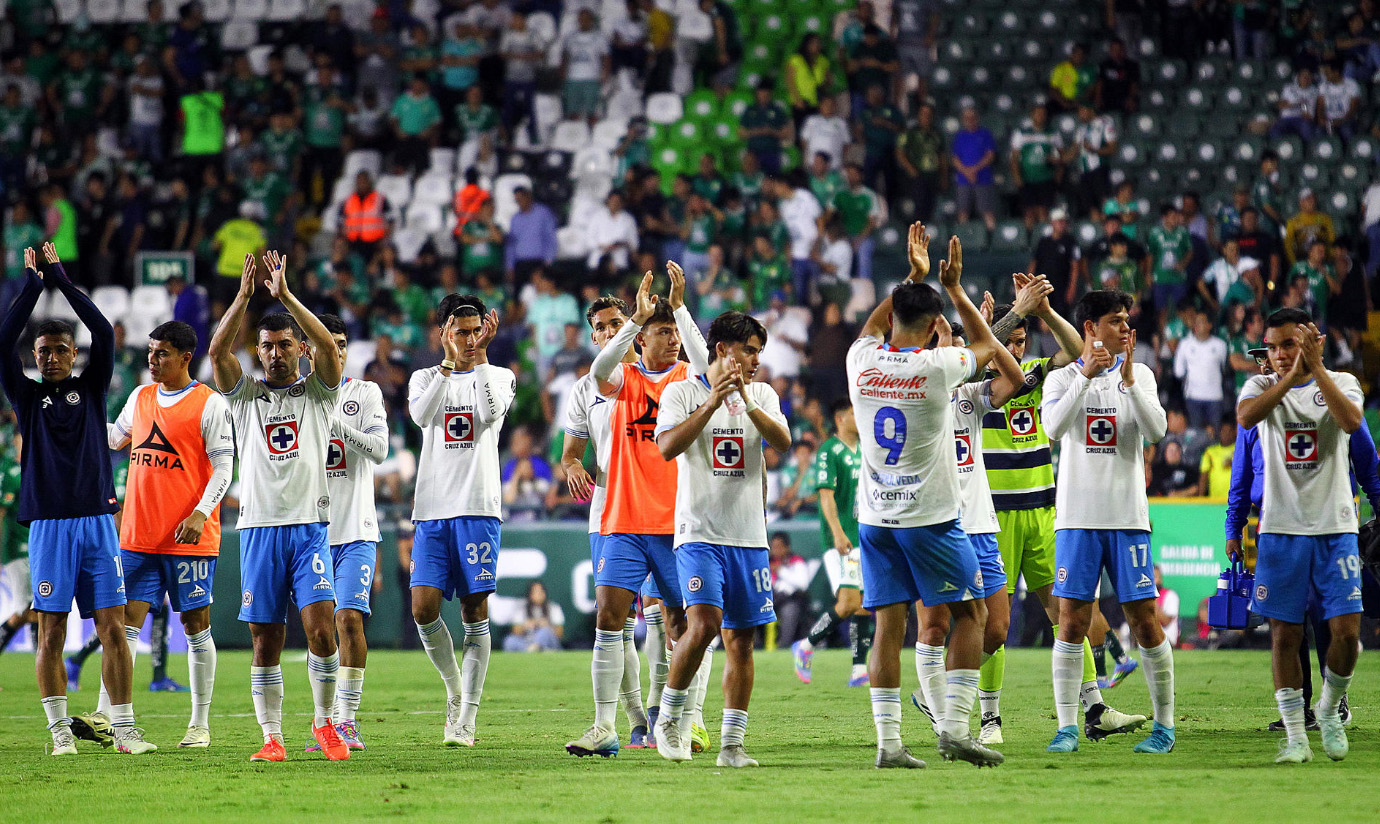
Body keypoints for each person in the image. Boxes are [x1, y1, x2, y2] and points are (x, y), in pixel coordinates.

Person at [849, 224, 1003, 769]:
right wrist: (955, 290)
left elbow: (873, 327)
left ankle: (889, 745)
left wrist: (910, 277)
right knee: (971, 614)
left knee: (888, 626)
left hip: (875, 517)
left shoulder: (860, 362)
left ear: (891, 316)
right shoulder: (938, 367)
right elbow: (988, 347)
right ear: (936, 325)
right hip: (930, 517)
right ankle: (957, 729)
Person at [0, 244, 154, 755]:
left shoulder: (91, 390)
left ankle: (126, 728)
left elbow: (105, 331)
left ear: (73, 354)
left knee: (114, 627)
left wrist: (60, 279)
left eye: (60, 349)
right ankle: (59, 733)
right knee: (51, 632)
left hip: (96, 524)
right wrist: (31, 286)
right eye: (42, 351)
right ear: (35, 357)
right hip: (48, 525)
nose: (50, 357)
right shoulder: (26, 396)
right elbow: (3, 340)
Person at [565, 264, 710, 759]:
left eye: (675, 333)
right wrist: (634, 320)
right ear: (642, 339)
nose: (672, 341)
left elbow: (708, 360)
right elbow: (597, 371)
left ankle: (683, 721)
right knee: (609, 615)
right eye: (662, 333)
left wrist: (680, 306)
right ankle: (605, 725)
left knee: (682, 625)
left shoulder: (688, 378)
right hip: (623, 518)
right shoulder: (622, 379)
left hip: (676, 521)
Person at [207, 251, 348, 762]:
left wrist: (285, 295)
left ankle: (326, 723)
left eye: (284, 344)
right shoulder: (243, 398)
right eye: (266, 346)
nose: (274, 354)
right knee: (265, 640)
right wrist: (244, 296)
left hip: (309, 527)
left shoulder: (321, 395)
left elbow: (331, 348)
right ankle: (272, 738)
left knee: (321, 628)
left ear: (300, 349)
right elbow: (217, 351)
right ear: (258, 352)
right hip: (260, 530)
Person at [653, 309, 792, 767]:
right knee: (705, 624)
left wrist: (747, 401)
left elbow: (784, 441)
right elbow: (668, 447)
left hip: (749, 536)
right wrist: (712, 402)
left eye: (758, 352)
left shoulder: (764, 393)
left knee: (743, 640)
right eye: (749, 350)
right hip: (698, 533)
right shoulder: (681, 392)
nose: (756, 360)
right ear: (722, 350)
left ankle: (732, 746)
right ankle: (670, 719)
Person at [1041, 289, 1175, 755]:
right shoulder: (1060, 378)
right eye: (1115, 320)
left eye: (1127, 320)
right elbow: (1053, 429)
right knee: (1071, 622)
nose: (1125, 327)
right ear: (1090, 329)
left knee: (1143, 621)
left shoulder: (1143, 376)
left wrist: (1132, 379)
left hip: (1127, 517)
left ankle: (1165, 727)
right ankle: (1066, 728)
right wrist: (1085, 374)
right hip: (1077, 518)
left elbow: (1156, 432)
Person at [94, 321, 232, 750]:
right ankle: (108, 717)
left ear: (185, 357)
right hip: (137, 535)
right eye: (151, 352)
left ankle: (199, 723)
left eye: (162, 354)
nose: (152, 360)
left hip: (189, 536)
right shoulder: (139, 398)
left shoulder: (210, 404)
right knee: (122, 626)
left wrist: (201, 512)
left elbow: (225, 468)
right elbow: (111, 440)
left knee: (194, 625)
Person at [1236, 308, 1364, 764]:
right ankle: (1295, 736)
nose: (1276, 354)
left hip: (1335, 527)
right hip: (1281, 531)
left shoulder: (1343, 383)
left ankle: (1329, 708)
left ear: (1312, 341)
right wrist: (1289, 377)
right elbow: (1247, 418)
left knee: (1346, 635)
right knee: (1284, 636)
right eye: (1271, 347)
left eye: (1287, 344)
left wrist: (1315, 372)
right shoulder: (1261, 386)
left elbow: (1350, 422)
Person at [407, 294, 514, 748]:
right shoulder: (423, 378)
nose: (471, 339)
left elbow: (490, 414)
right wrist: (449, 366)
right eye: (461, 332)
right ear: (443, 335)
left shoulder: (500, 376)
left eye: (476, 331)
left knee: (474, 611)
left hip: (476, 507)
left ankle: (467, 717)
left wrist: (482, 359)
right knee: (422, 608)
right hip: (432, 509)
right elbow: (420, 415)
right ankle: (455, 689)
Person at [561, 295, 656, 750]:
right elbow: (570, 453)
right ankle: (635, 719)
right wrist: (572, 466)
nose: (605, 331)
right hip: (610, 512)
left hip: (663, 511)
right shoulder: (586, 388)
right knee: (613, 617)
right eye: (599, 327)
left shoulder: (662, 377)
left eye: (614, 323)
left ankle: (663, 713)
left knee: (660, 615)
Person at [308, 314, 388, 752]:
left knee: (348, 618)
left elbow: (379, 449)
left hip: (356, 527)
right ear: (309, 349)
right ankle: (322, 721)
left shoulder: (364, 392)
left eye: (340, 343)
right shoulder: (298, 397)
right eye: (326, 343)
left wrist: (337, 424)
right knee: (318, 628)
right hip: (312, 531)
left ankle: (347, 719)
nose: (334, 350)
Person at [791, 398, 869, 687]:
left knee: (862, 603)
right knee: (848, 602)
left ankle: (859, 668)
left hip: (863, 536)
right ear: (839, 418)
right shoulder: (829, 451)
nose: (859, 417)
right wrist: (837, 532)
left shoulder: (864, 450)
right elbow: (825, 496)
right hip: (841, 539)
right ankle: (806, 646)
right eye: (853, 413)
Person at [1174, 309, 1229, 429]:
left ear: (1209, 325)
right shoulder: (1185, 345)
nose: (1197, 325)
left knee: (1215, 435)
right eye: (1196, 322)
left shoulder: (1220, 345)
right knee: (1195, 434)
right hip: (1193, 397)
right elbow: (1178, 371)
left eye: (1201, 322)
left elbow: (1224, 368)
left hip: (1215, 397)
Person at [950, 107, 997, 230]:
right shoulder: (959, 136)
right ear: (963, 120)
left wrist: (974, 170)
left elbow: (990, 156)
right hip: (963, 180)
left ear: (977, 118)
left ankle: (991, 238)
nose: (970, 120)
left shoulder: (985, 134)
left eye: (972, 117)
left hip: (983, 178)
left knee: (987, 211)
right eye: (967, 118)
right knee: (963, 212)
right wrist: (967, 172)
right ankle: (963, 239)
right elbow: (955, 159)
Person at [502, 581, 565, 651]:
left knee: (545, 631)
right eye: (535, 592)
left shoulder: (554, 608)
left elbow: (560, 634)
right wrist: (525, 626)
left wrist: (548, 626)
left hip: (549, 644)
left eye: (541, 592)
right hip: (527, 641)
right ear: (530, 595)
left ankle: (536, 648)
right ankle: (531, 650)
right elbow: (516, 631)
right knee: (509, 640)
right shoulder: (521, 609)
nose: (538, 595)